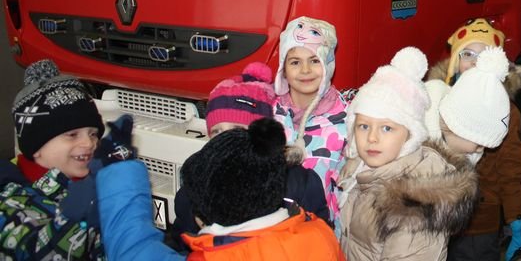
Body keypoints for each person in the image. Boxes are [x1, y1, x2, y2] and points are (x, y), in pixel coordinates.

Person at [97, 117, 344, 260]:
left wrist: (120, 171)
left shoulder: (213, 256)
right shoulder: (319, 234)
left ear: (202, 216)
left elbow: (134, 251)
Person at [338, 46, 478, 260]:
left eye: (387, 128)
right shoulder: (365, 172)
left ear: (410, 135)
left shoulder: (412, 208)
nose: (372, 138)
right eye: (364, 126)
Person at [169, 62, 328, 248]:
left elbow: (316, 239)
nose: (225, 140)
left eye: (237, 130)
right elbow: (182, 243)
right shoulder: (195, 186)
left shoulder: (297, 183)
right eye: (217, 132)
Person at [426, 19, 521, 261]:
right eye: (467, 54)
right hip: (434, 216)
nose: (473, 62)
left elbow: (511, 168)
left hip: (478, 222)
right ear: (455, 60)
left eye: (482, 56)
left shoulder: (505, 111)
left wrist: (516, 218)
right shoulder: (435, 96)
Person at [0, 59, 106, 259]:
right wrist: (78, 211)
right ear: (36, 147)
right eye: (72, 134)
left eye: (93, 133)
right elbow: (42, 252)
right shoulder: (9, 202)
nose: (89, 143)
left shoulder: (92, 184)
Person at [273, 16, 347, 233]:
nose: (305, 70)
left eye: (315, 60)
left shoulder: (347, 121)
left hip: (325, 235)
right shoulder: (269, 116)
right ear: (283, 68)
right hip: (273, 236)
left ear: (328, 64)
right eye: (295, 62)